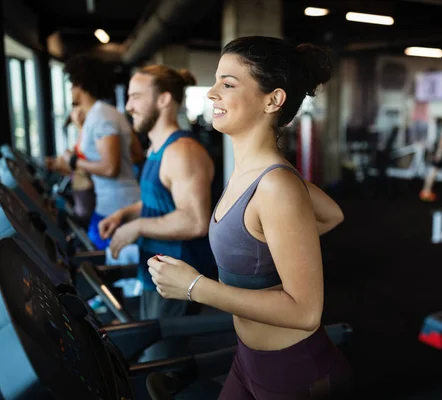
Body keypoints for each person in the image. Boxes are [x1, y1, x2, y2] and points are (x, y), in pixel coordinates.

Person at [147, 36, 351, 399]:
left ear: (273, 100)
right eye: (215, 82)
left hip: (294, 373)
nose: (211, 93)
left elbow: (305, 312)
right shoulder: (258, 175)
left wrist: (194, 287)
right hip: (248, 359)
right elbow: (332, 214)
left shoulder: (276, 186)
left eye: (227, 84)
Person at [97, 66, 215, 359]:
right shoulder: (156, 148)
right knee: (151, 355)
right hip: (156, 269)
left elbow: (195, 220)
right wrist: (126, 214)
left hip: (179, 273)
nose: (128, 106)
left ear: (163, 100)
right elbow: (161, 200)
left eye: (136, 97)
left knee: (159, 366)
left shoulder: (182, 151)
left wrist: (137, 227)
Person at [47, 54, 141, 250]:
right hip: (115, 200)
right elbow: (137, 154)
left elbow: (110, 168)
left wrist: (73, 161)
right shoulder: (105, 113)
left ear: (80, 84)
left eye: (72, 85)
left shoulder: (101, 116)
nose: (71, 90)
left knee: (100, 250)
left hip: (117, 204)